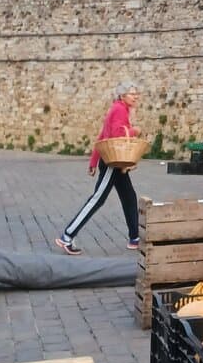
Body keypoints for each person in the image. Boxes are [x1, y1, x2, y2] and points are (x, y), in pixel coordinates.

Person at [56, 80, 143, 254]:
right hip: (112, 162)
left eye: (136, 93)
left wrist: (93, 161)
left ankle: (134, 238)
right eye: (132, 93)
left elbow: (102, 134)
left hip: (116, 161)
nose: (136, 96)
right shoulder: (119, 109)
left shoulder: (119, 108)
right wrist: (135, 131)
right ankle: (67, 236)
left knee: (129, 197)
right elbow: (117, 135)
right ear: (122, 95)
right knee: (97, 199)